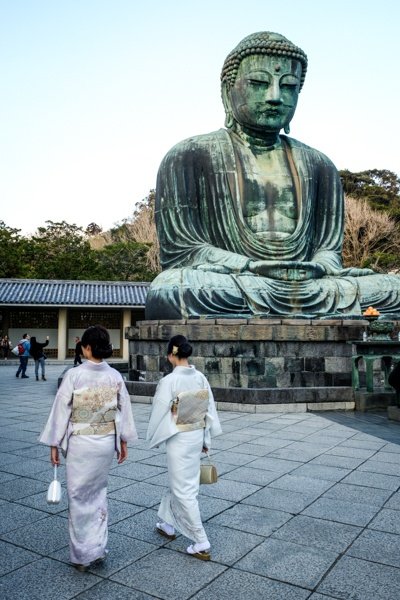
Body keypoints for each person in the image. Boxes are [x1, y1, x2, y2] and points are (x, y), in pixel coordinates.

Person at [145, 31, 400, 319]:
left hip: (311, 284)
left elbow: (329, 252)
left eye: (289, 86)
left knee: (393, 289)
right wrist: (250, 266)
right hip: (235, 280)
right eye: (259, 83)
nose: (275, 97)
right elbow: (184, 252)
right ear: (229, 89)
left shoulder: (319, 164)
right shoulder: (189, 155)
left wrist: (320, 265)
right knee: (172, 289)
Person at [39, 325, 138, 571]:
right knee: (98, 494)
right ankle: (98, 549)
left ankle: (82, 554)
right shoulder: (115, 376)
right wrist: (122, 440)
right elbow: (124, 410)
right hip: (105, 442)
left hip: (80, 443)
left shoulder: (75, 375)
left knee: (78, 496)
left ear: (87, 347)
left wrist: (54, 442)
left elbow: (61, 410)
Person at [146, 334, 222, 560]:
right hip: (196, 434)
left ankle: (201, 540)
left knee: (184, 489)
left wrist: (153, 435)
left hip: (179, 438)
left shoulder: (169, 381)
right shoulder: (200, 378)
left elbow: (159, 412)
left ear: (171, 354)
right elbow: (209, 410)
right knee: (179, 482)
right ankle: (168, 524)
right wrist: (206, 440)